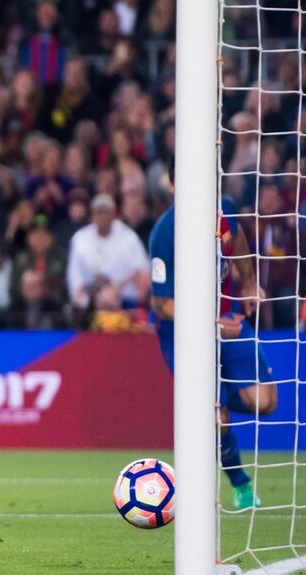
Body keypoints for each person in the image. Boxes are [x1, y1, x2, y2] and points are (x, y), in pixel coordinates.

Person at [149, 158, 276, 510]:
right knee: (215, 411)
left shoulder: (225, 208)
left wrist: (249, 281)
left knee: (265, 402)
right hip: (183, 332)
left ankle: (208, 405)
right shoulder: (165, 231)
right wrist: (208, 323)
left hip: (226, 321)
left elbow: (241, 238)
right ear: (173, 188)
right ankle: (241, 485)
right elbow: (161, 303)